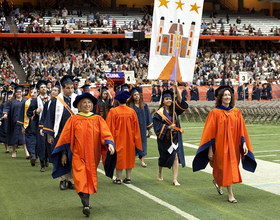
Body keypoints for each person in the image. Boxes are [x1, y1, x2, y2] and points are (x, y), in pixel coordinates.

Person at [51, 93, 116, 217]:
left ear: (92, 105)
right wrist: (64, 154)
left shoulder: (98, 119)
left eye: (89, 103)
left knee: (89, 177)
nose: (87, 105)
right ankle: (86, 204)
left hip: (93, 156)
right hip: (77, 154)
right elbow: (65, 139)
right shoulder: (73, 119)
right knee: (80, 177)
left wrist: (109, 143)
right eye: (84, 103)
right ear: (79, 105)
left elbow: (106, 133)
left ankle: (85, 201)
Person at [192, 85, 257, 203]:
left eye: (229, 95)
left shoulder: (236, 112)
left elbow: (241, 129)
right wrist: (210, 149)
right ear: (220, 97)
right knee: (224, 168)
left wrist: (244, 144)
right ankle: (230, 195)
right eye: (225, 95)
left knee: (229, 168)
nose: (227, 97)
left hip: (234, 146)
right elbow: (210, 132)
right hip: (220, 146)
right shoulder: (215, 113)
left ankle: (219, 183)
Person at [43, 75, 78, 190]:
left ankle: (71, 180)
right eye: (68, 88)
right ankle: (62, 180)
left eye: (72, 87)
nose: (70, 90)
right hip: (60, 133)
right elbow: (50, 118)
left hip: (74, 133)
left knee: (72, 156)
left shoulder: (77, 99)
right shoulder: (56, 101)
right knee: (60, 156)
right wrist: (49, 134)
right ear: (62, 88)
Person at [153, 84, 188, 186]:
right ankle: (160, 172)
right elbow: (157, 127)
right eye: (167, 99)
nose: (169, 101)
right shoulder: (158, 113)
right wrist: (168, 127)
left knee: (175, 156)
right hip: (164, 139)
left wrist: (176, 88)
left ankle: (175, 179)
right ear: (163, 100)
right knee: (163, 157)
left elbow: (181, 101)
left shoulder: (174, 110)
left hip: (175, 139)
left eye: (170, 99)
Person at [106, 91, 142, 184]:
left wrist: (109, 141)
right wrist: (137, 140)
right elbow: (136, 128)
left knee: (119, 158)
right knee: (129, 157)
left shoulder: (113, 111)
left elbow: (109, 127)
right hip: (130, 139)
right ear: (127, 100)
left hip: (118, 139)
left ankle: (118, 179)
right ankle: (128, 178)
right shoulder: (132, 111)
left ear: (117, 101)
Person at [127, 87, 153, 167]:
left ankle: (142, 161)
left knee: (143, 144)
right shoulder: (130, 107)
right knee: (133, 144)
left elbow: (148, 117)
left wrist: (149, 129)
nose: (137, 96)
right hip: (133, 129)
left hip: (142, 129)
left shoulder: (144, 106)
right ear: (132, 96)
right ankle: (132, 160)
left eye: (138, 94)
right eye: (135, 95)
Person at [27, 80, 49, 172]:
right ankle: (42, 163)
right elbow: (29, 113)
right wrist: (36, 111)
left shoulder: (51, 99)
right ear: (38, 90)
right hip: (40, 125)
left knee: (49, 143)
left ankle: (47, 159)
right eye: (42, 87)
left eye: (45, 87)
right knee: (41, 144)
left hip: (50, 124)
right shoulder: (35, 101)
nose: (44, 88)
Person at [3, 85, 29, 158]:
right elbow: (6, 108)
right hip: (13, 122)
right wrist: (5, 113)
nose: (18, 93)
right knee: (14, 137)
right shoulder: (11, 101)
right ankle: (13, 151)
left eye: (20, 92)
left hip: (23, 122)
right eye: (17, 92)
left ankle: (27, 153)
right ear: (15, 93)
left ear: (22, 92)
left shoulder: (26, 100)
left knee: (23, 137)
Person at [18, 85, 38, 166]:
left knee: (37, 141)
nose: (33, 94)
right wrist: (22, 126)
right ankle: (32, 155)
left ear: (37, 93)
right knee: (30, 141)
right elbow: (21, 114)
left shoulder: (41, 102)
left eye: (35, 92)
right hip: (28, 125)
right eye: (32, 92)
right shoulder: (25, 103)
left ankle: (35, 156)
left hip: (37, 124)